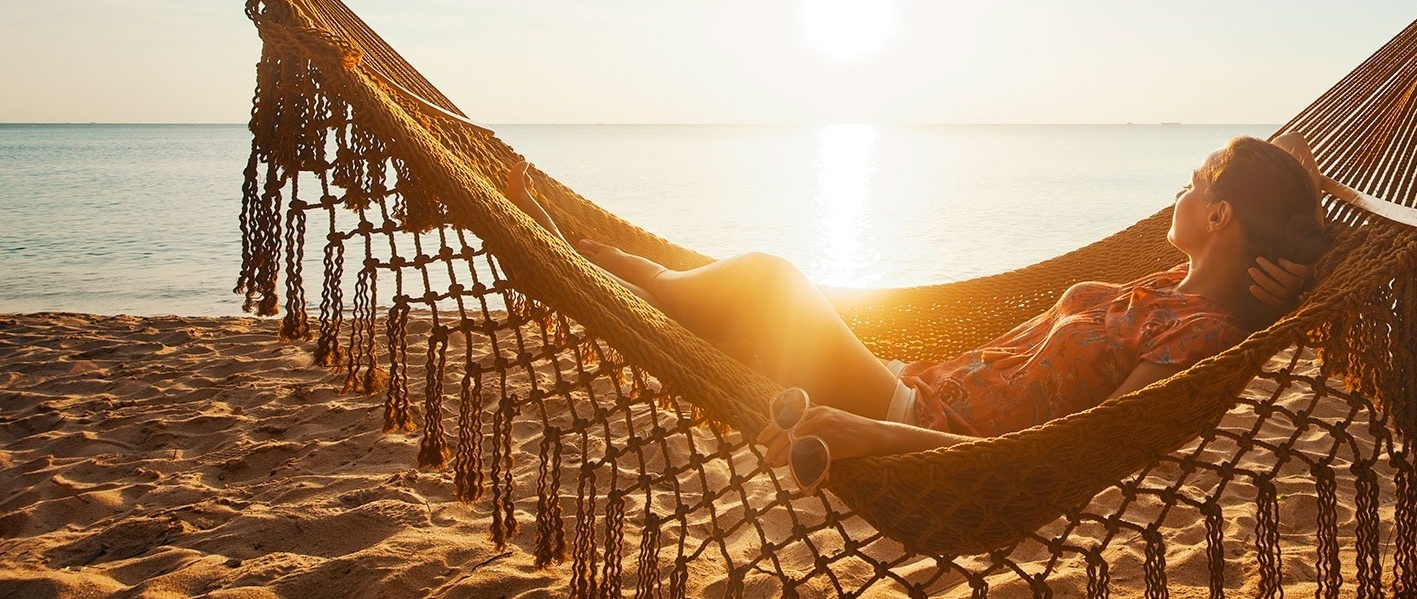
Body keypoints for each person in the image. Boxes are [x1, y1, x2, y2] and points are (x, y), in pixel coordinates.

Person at [502, 136, 1327, 484]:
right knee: (729, 300)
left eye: (1197, 183)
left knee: (766, 282)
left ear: (1221, 217)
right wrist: (1283, 254)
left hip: (916, 418)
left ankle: (571, 260)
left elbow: (1074, 456)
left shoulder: (1199, 332)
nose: (1180, 191)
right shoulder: (1167, 287)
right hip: (904, 381)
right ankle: (580, 261)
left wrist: (878, 433)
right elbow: (1289, 156)